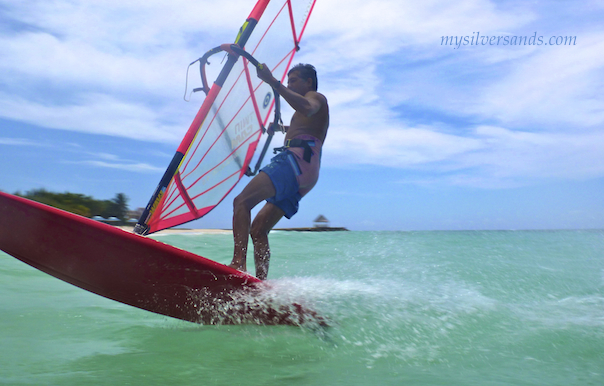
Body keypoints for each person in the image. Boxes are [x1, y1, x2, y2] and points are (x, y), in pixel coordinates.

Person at [228, 63, 329, 280]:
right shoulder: (303, 108)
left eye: (293, 80)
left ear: (308, 81)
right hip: (308, 172)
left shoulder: (315, 97)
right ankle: (260, 284)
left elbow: (308, 108)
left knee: (241, 202)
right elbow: (306, 124)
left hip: (296, 160)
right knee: (258, 229)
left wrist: (273, 81)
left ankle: (238, 264)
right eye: (288, 80)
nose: (289, 84)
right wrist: (281, 129)